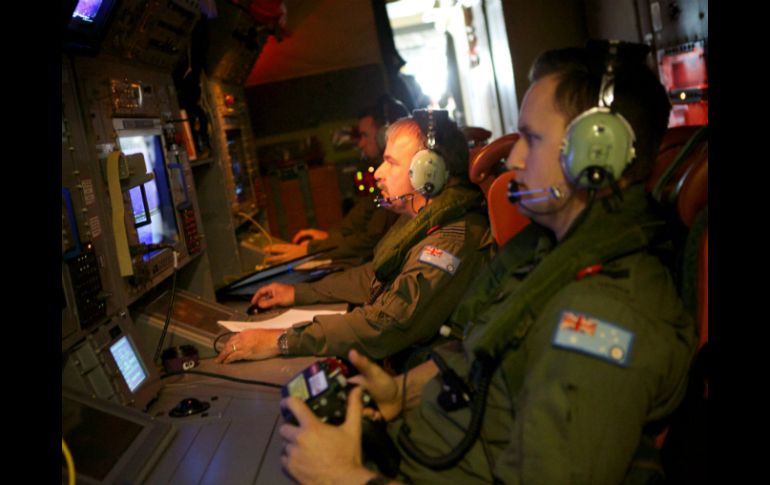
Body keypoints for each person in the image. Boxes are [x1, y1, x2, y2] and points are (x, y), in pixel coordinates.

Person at [276, 41, 698, 484]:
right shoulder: (549, 258)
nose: (513, 159)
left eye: (532, 139)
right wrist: (402, 394)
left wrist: (343, 478)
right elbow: (488, 365)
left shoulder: (605, 317)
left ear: (598, 155)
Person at [217, 111, 493, 364]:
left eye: (391, 162)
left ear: (428, 172)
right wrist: (297, 293)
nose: (378, 173)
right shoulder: (426, 222)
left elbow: (386, 324)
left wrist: (282, 340)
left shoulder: (450, 242)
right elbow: (372, 277)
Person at [263, 96, 409, 268]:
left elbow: (371, 238)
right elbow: (362, 217)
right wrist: (328, 238)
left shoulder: (398, 182)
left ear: (384, 136)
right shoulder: (382, 182)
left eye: (364, 135)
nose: (360, 144)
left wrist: (311, 250)